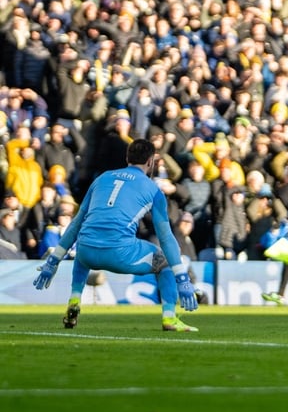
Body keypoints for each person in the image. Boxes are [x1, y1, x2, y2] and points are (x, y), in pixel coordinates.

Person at [32, 139, 200, 331]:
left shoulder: (102, 178)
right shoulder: (154, 189)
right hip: (120, 254)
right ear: (150, 162)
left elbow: (76, 223)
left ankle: (74, 300)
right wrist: (182, 278)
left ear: (127, 157)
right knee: (165, 262)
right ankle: (169, 318)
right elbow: (166, 237)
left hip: (86, 253)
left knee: (87, 242)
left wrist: (53, 262)